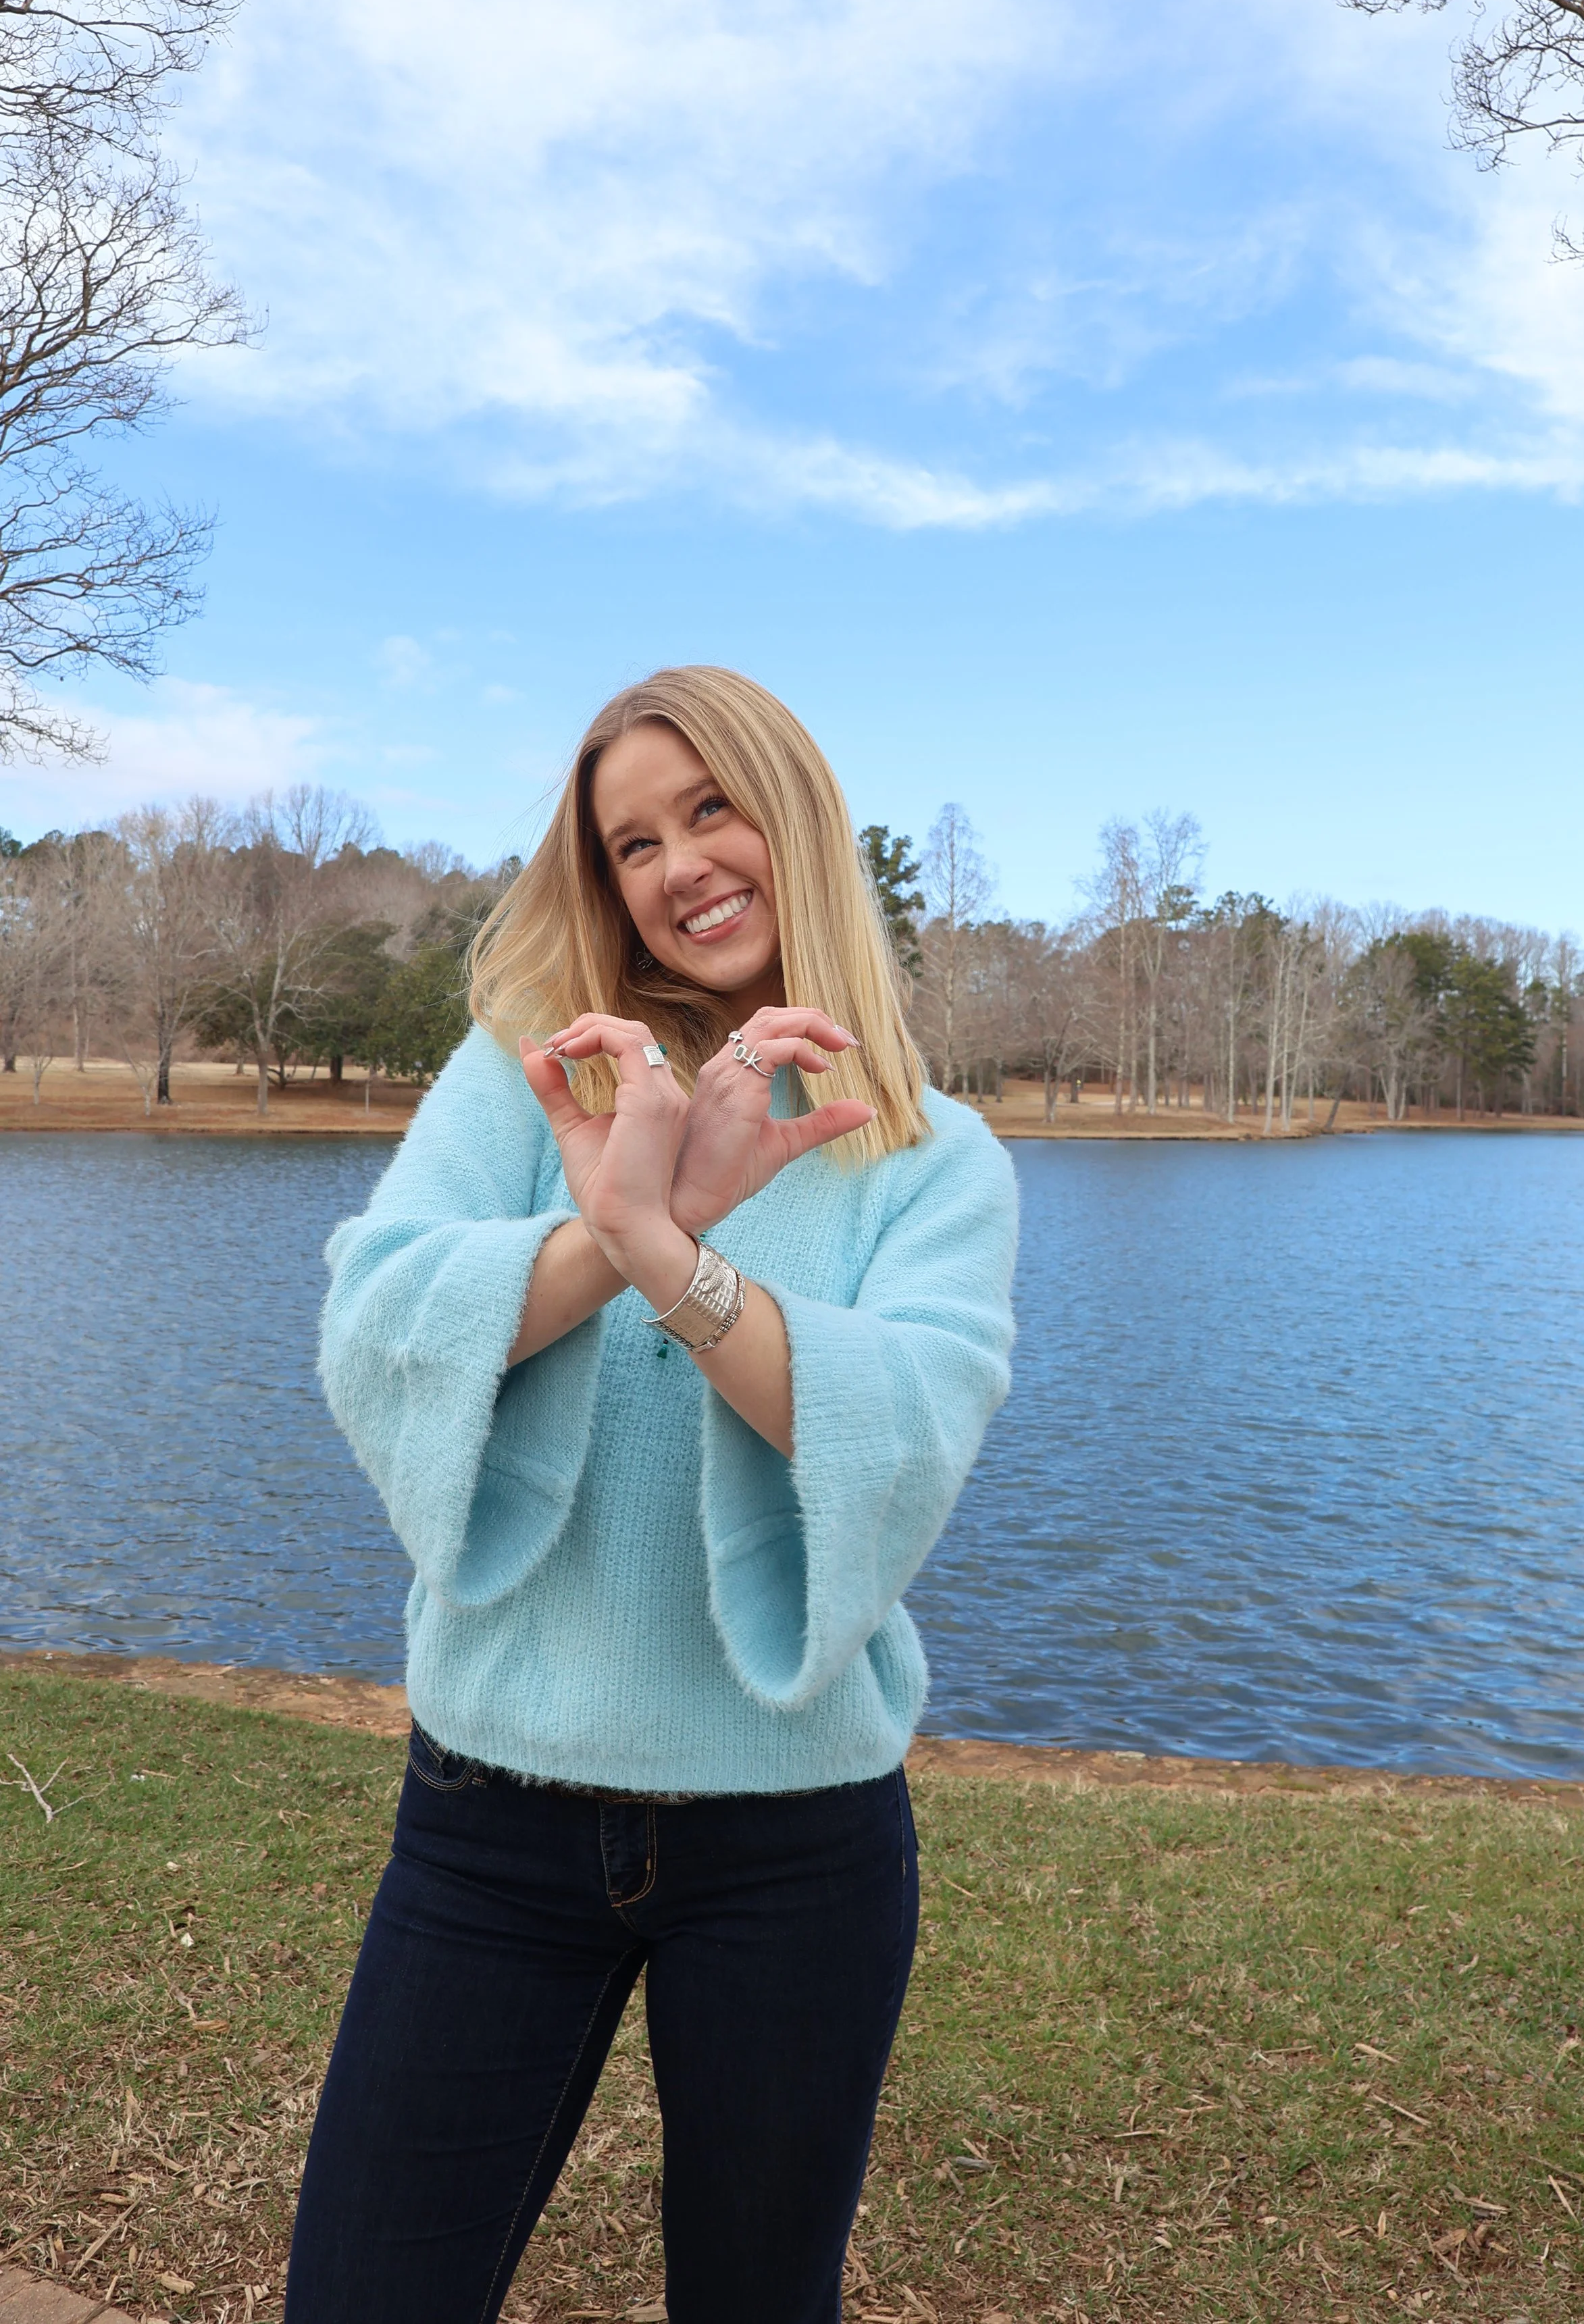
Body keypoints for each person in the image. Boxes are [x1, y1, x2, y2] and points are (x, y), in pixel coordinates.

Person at [286, 665, 1018, 2324]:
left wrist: (666, 1254)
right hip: (489, 1819)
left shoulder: (937, 1161)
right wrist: (611, 1223)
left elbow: (900, 1438)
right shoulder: (529, 1078)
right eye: (629, 842)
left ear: (796, 819)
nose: (677, 864)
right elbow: (376, 1320)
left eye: (708, 809)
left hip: (795, 1848)